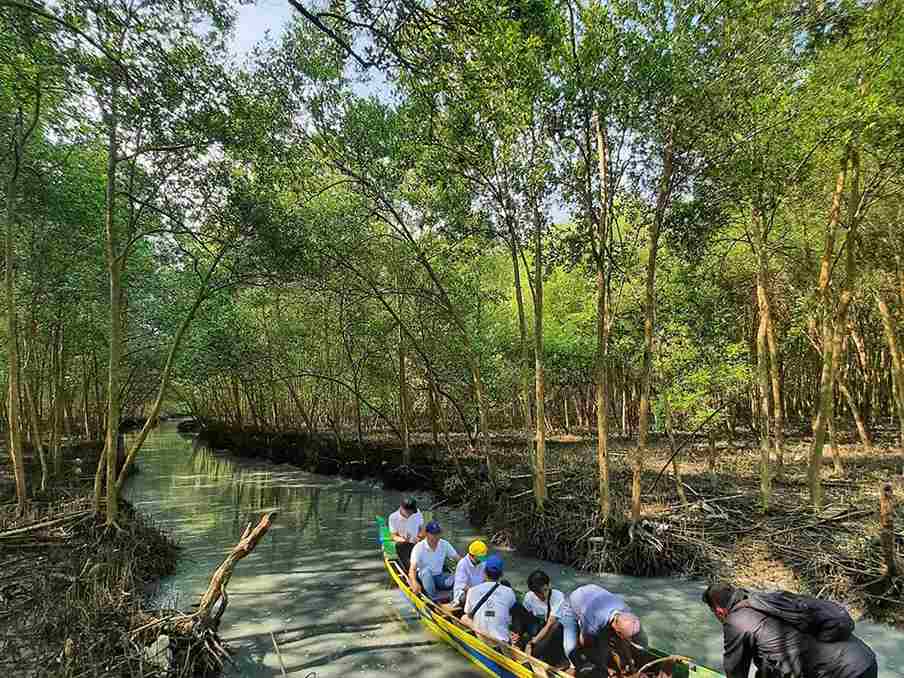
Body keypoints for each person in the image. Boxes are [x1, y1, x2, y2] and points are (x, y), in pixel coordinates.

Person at [702, 582, 878, 678]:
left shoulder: (736, 621)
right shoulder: (769, 600)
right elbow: (780, 656)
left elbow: (735, 672)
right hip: (864, 660)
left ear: (719, 610)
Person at [568, 584, 646, 675]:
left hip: (594, 593)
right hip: (576, 600)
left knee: (608, 644)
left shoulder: (626, 612)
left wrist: (631, 664)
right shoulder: (593, 623)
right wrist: (602, 665)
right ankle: (576, 666)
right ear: (617, 631)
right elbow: (585, 642)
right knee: (571, 648)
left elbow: (624, 642)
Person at [517, 569, 574, 669]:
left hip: (553, 633)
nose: (542, 596)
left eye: (545, 590)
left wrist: (532, 643)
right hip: (537, 629)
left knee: (555, 626)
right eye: (538, 593)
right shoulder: (529, 597)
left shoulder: (558, 596)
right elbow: (524, 618)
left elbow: (550, 625)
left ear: (549, 585)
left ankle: (559, 660)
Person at [463, 555, 518, 645]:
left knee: (464, 617)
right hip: (502, 640)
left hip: (481, 637)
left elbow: (468, 613)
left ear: (484, 572)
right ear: (501, 574)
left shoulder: (472, 590)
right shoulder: (509, 592)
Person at [408, 520, 460, 600]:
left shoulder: (444, 544)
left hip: (439, 576)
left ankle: (452, 595)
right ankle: (433, 598)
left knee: (455, 578)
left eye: (438, 533)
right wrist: (414, 582)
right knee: (426, 572)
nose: (436, 536)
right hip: (425, 576)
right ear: (427, 534)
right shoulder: (418, 547)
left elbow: (458, 559)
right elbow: (412, 569)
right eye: (433, 534)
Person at [388, 497, 425, 570]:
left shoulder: (417, 512)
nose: (411, 514)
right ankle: (412, 571)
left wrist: (420, 537)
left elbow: (421, 528)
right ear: (401, 508)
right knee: (400, 546)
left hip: (417, 543)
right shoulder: (393, 517)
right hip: (403, 545)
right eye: (409, 512)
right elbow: (394, 536)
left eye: (412, 512)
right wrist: (404, 540)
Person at [453, 539, 488, 607]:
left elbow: (486, 579)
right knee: (466, 597)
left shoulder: (483, 562)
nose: (482, 559)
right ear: (471, 556)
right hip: (464, 594)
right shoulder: (462, 564)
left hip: (479, 591)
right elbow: (462, 585)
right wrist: (477, 592)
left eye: (483, 557)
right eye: (480, 557)